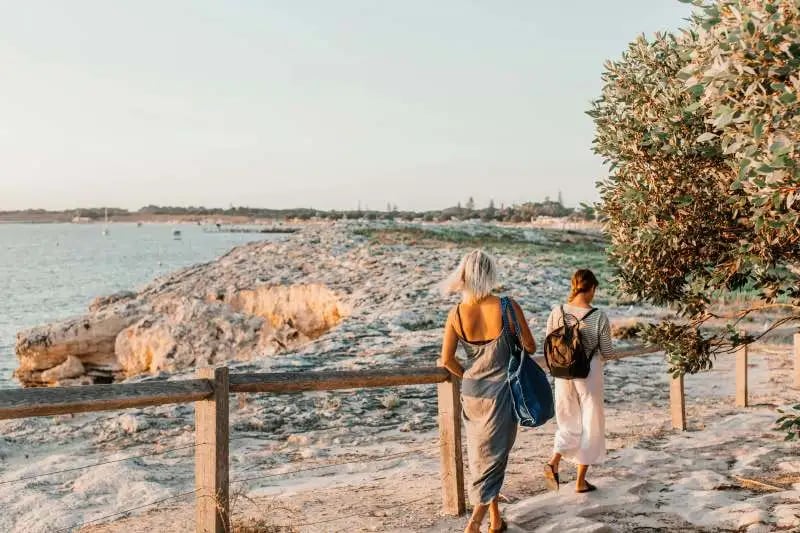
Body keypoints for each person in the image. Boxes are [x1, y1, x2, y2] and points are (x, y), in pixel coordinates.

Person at [439, 250, 536, 533]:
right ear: (490, 274)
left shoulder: (456, 312)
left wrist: (470, 374)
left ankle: (495, 520)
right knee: (495, 458)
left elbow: (447, 360)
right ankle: (473, 524)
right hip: (501, 393)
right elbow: (530, 346)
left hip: (472, 392)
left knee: (482, 456)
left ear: (465, 276)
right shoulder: (507, 306)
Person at [543, 269, 612, 493]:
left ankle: (554, 462)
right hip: (588, 373)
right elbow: (607, 351)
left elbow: (548, 341)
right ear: (592, 288)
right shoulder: (598, 316)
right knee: (590, 422)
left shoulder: (557, 311)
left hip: (562, 372)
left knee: (568, 420)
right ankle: (580, 482)